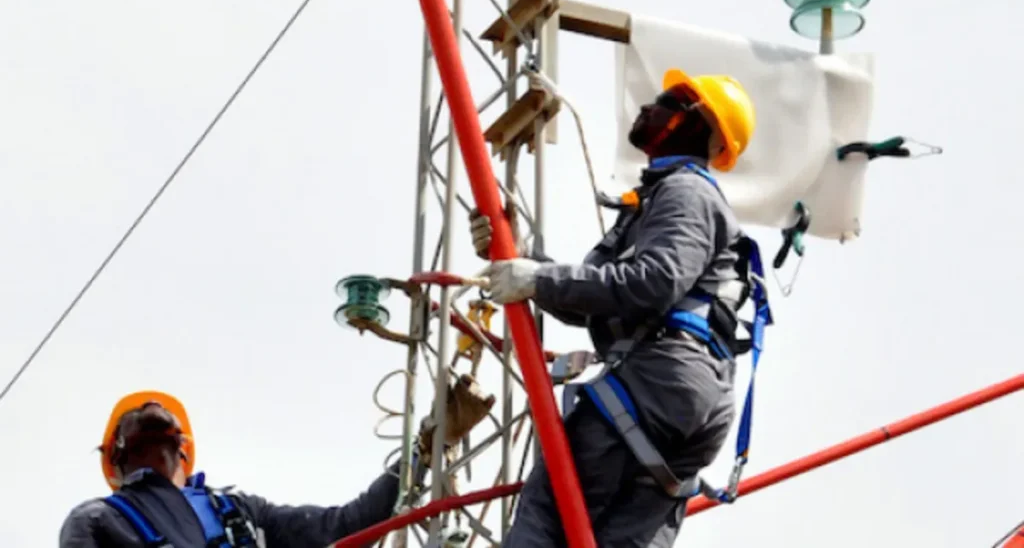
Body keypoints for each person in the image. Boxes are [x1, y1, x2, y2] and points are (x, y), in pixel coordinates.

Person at [470, 67, 771, 547]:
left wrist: (537, 279)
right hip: (688, 399)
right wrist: (525, 262)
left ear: (698, 124)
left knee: (549, 517)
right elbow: (597, 303)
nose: (650, 108)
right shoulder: (652, 205)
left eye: (668, 101)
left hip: (658, 382)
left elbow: (653, 282)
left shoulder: (685, 192)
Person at [60, 384, 493, 547]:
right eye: (133, 424)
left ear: (184, 450)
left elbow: (348, 523)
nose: (148, 405)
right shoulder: (98, 521)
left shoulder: (239, 513)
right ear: (116, 462)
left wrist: (427, 450)